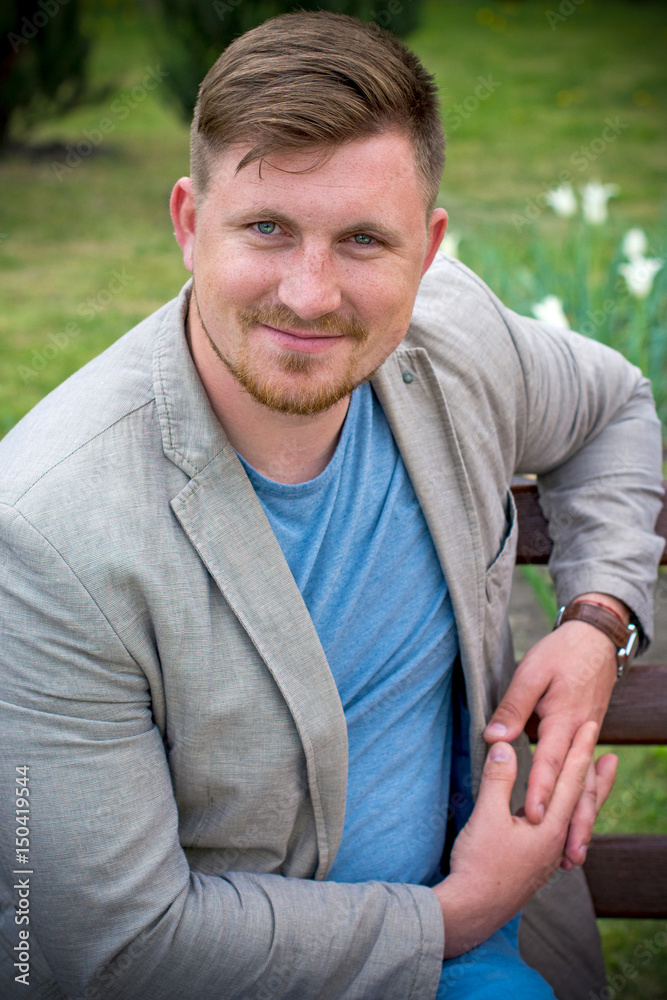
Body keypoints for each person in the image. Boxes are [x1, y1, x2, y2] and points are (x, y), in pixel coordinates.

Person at [0, 11, 663, 1000]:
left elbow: (612, 404)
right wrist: (457, 913)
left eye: (362, 240)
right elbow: (123, 947)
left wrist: (595, 620)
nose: (309, 295)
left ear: (428, 250)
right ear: (188, 223)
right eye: (267, 228)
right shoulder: (51, 530)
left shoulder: (456, 347)